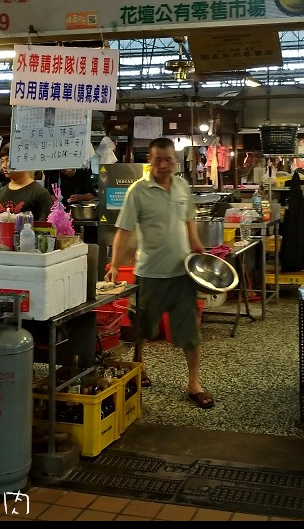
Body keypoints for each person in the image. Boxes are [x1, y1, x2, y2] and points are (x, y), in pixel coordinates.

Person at [104, 137, 213, 409]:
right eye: (158, 159)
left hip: (182, 272)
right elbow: (124, 231)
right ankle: (139, 366)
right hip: (150, 274)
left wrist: (197, 245)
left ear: (176, 161)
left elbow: (189, 220)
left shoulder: (182, 187)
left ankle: (194, 383)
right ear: (150, 160)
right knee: (142, 328)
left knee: (189, 332)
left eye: (168, 159)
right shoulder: (137, 192)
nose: (164, 165)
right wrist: (115, 265)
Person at [0, 145, 53, 241]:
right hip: (2, 253)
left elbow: (44, 232)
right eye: (2, 161)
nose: (4, 166)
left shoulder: (40, 194)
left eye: (8, 160)